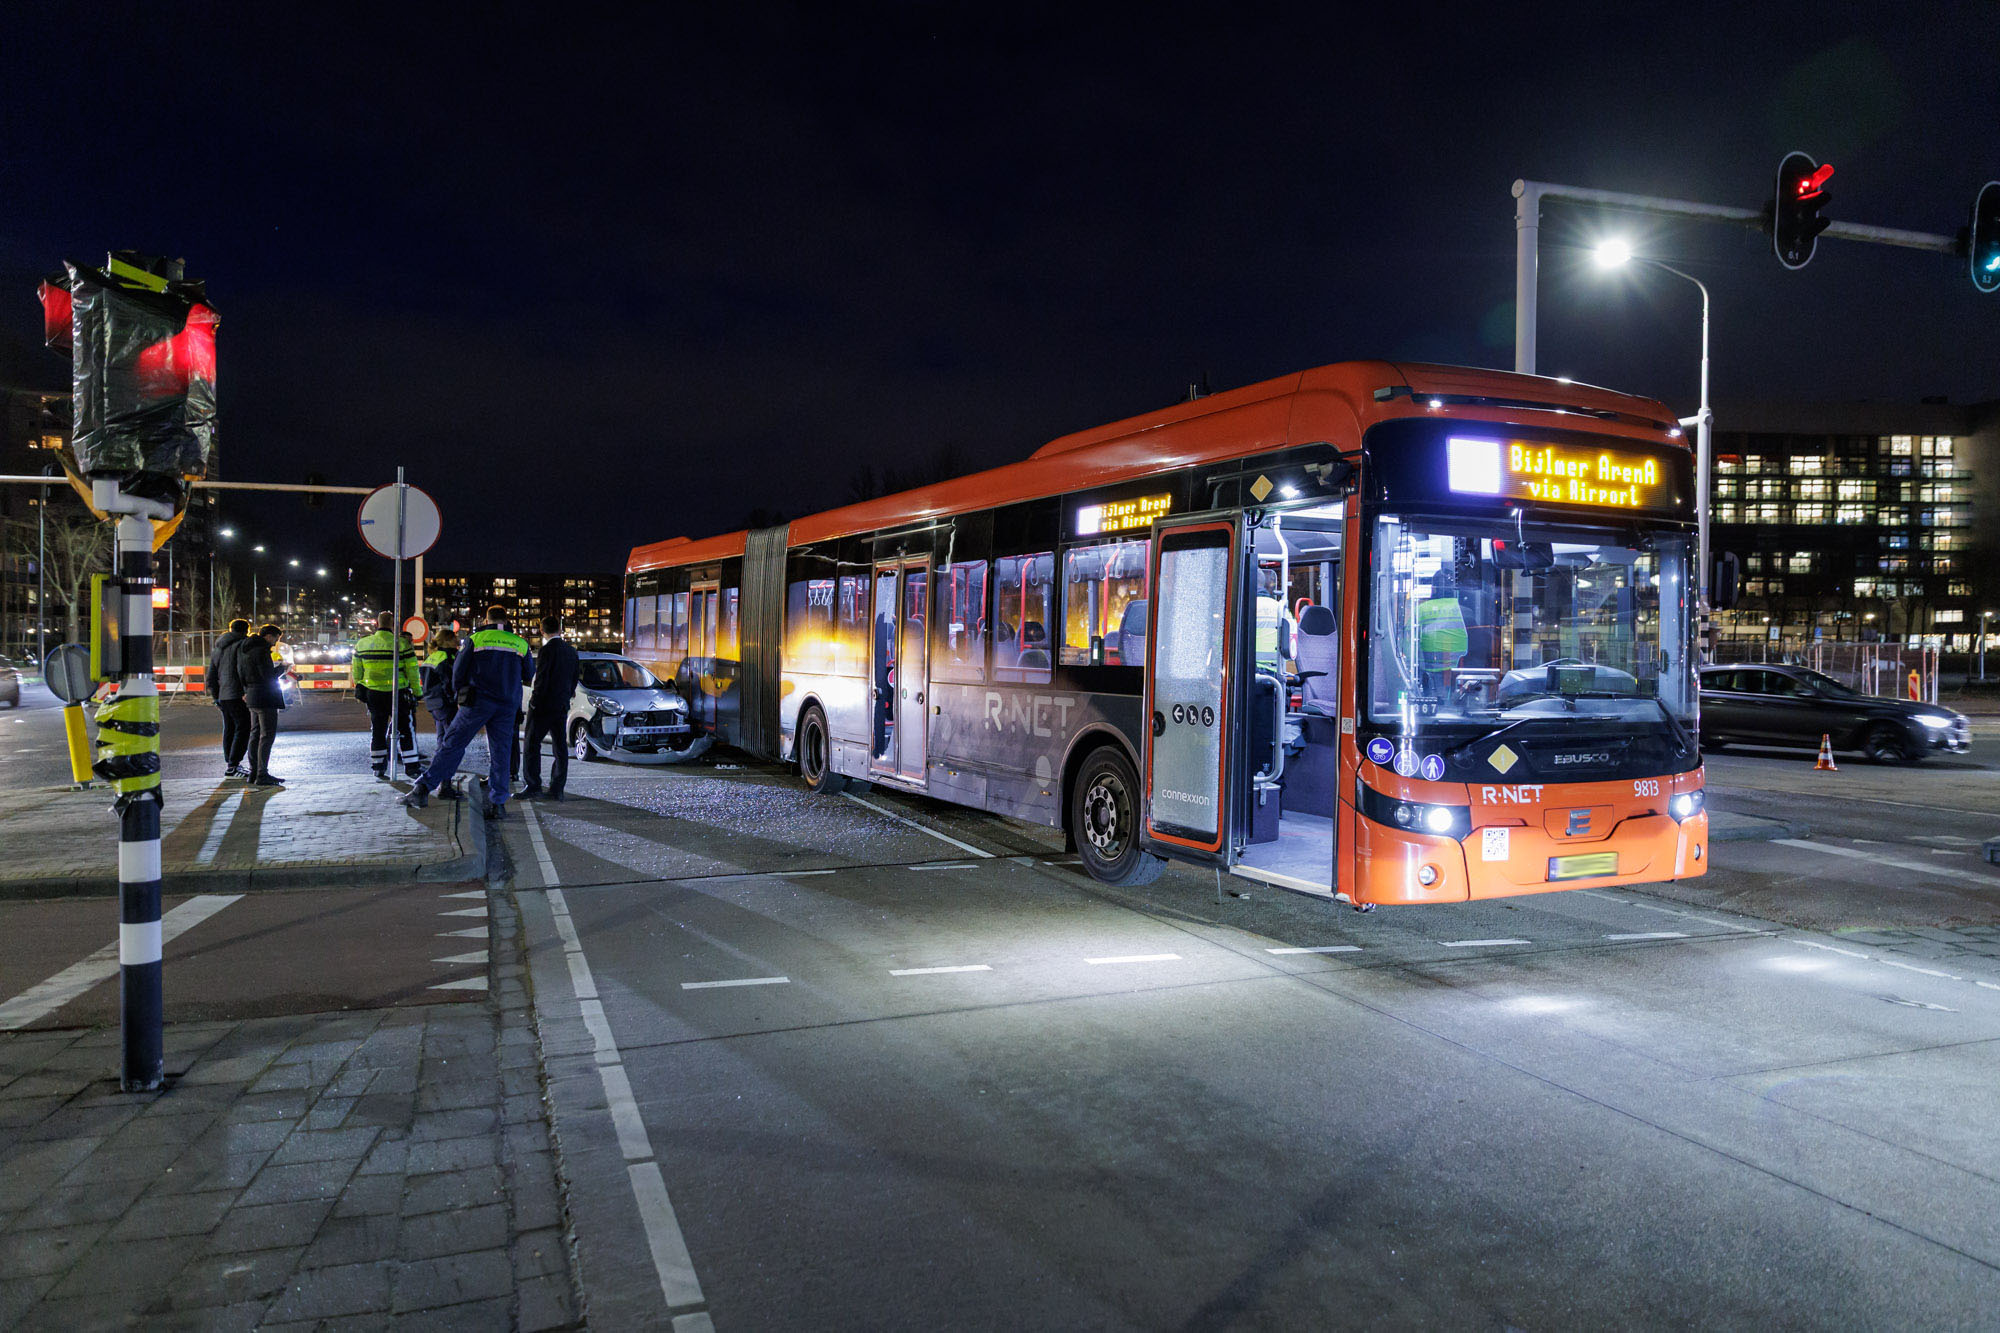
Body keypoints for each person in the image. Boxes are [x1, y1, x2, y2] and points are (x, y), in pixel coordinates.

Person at [402, 604, 534, 818]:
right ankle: (498, 804)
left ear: (486, 620)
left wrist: (459, 695)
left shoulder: (475, 640)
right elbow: (529, 673)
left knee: (453, 744)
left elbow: (458, 671)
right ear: (506, 620)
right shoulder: (520, 642)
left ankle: (422, 789)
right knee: (501, 753)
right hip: (507, 704)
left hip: (477, 701)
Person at [352, 612, 421, 779]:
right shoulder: (401, 644)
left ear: (377, 623)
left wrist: (361, 686)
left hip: (374, 693)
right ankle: (411, 767)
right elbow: (412, 670)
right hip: (398, 692)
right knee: (405, 729)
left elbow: (357, 671)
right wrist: (417, 693)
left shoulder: (363, 644)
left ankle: (378, 766)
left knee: (378, 729)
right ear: (393, 624)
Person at [520, 615, 581, 800]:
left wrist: (534, 701)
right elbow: (574, 677)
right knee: (560, 746)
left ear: (541, 630)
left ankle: (533, 785)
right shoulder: (571, 651)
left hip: (543, 705)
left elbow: (542, 678)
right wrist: (566, 696)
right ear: (560, 630)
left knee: (532, 743)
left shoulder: (547, 650)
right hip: (561, 705)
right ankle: (557, 789)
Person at [232, 623, 288, 787]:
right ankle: (262, 774)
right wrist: (282, 669)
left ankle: (254, 772)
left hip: (252, 695)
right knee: (267, 735)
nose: (275, 642)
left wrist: (245, 690)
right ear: (269, 636)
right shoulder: (262, 651)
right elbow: (268, 676)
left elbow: (240, 672)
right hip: (265, 697)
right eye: (276, 638)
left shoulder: (245, 649)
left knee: (255, 734)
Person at [208, 617, 251, 778]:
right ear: (246, 630)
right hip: (238, 694)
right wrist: (247, 690)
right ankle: (234, 765)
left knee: (229, 728)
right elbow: (243, 670)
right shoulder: (242, 646)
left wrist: (216, 696)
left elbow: (211, 676)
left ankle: (231, 764)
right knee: (244, 727)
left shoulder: (218, 648)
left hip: (223, 695)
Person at [421, 629, 459, 735]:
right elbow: (448, 682)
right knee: (452, 736)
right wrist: (454, 700)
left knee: (441, 734)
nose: (458, 639)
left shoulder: (431, 657)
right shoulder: (448, 657)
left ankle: (440, 752)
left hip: (432, 702)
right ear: (447, 640)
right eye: (454, 637)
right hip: (445, 703)